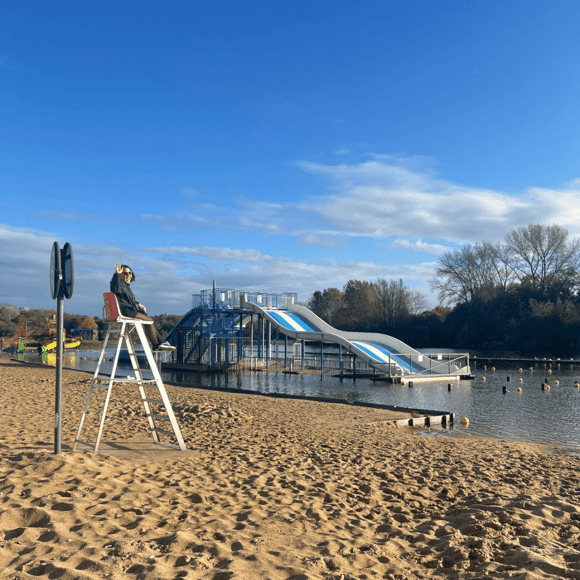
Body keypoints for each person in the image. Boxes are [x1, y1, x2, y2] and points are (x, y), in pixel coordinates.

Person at [110, 264, 175, 351]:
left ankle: (161, 342)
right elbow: (114, 289)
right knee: (149, 320)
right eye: (125, 273)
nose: (128, 275)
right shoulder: (119, 284)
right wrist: (117, 274)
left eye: (130, 273)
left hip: (127, 309)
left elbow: (125, 300)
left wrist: (137, 304)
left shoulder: (125, 286)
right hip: (126, 311)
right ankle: (156, 344)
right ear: (121, 275)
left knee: (148, 319)